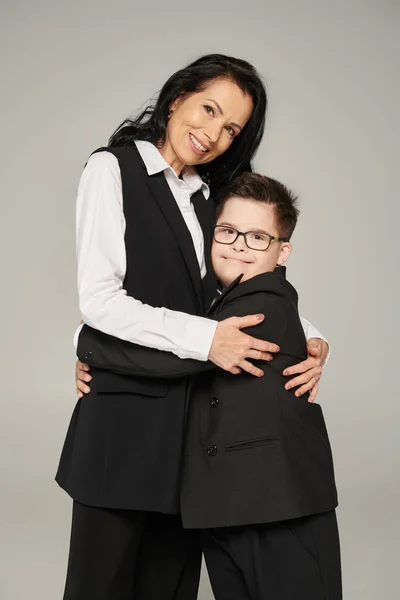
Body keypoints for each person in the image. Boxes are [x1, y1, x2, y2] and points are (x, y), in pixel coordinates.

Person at [58, 53, 329, 600]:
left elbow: (239, 282)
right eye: (208, 109)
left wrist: (315, 337)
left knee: (170, 588)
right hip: (123, 425)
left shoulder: (209, 195)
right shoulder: (111, 170)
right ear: (176, 97)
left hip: (190, 440)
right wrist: (207, 339)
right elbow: (101, 300)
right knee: (100, 586)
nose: (213, 134)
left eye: (231, 127)